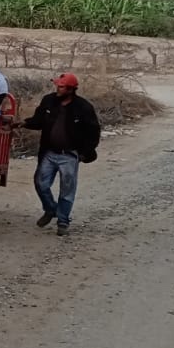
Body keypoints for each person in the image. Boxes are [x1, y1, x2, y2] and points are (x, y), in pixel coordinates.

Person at [21, 73, 100, 237]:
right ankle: (51, 209)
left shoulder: (83, 107)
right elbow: (38, 121)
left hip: (69, 155)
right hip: (49, 152)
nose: (58, 89)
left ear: (71, 90)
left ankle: (63, 221)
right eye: (57, 85)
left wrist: (84, 153)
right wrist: (23, 123)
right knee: (40, 184)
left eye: (62, 87)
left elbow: (93, 132)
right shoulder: (48, 101)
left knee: (67, 189)